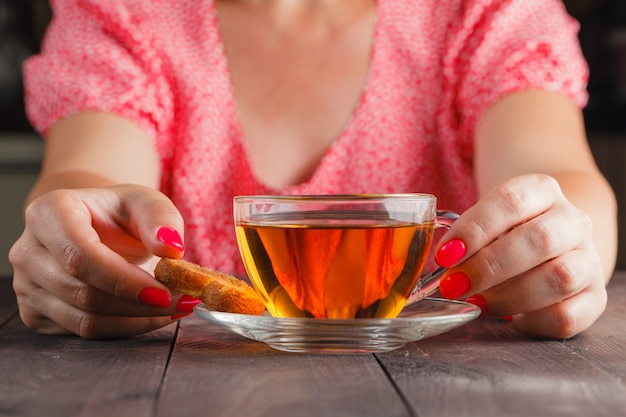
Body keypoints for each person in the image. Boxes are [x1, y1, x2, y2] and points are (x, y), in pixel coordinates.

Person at [9, 0, 617, 340]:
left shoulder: (485, 12)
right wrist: (72, 235)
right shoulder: (125, 15)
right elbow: (89, 178)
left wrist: (562, 241)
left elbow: (558, 174)